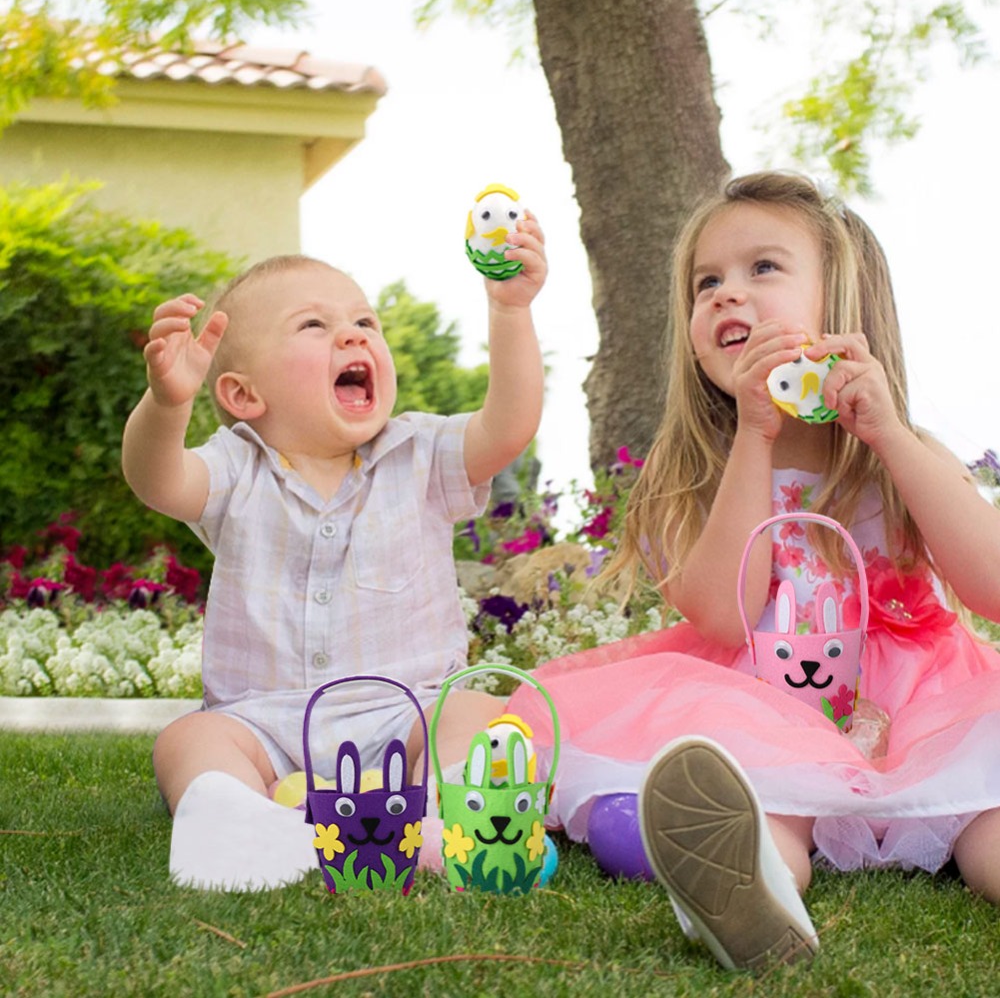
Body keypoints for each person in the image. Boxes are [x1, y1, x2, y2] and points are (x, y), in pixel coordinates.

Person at [507, 172, 1000, 970]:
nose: (727, 295)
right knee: (758, 799)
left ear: (843, 303)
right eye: (708, 282)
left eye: (762, 269)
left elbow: (992, 589)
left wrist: (891, 439)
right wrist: (753, 436)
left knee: (988, 811)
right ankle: (752, 895)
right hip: (762, 703)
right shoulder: (696, 468)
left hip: (918, 709)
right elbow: (722, 618)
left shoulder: (901, 454)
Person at [122, 221, 546, 884]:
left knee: (479, 712)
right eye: (314, 326)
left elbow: (510, 423)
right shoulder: (236, 468)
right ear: (244, 395)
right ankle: (244, 822)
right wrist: (166, 403)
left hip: (407, 714)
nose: (352, 334)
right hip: (264, 726)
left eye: (363, 322)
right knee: (188, 741)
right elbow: (156, 480)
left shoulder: (421, 455)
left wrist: (511, 310)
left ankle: (443, 815)